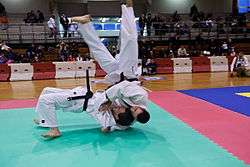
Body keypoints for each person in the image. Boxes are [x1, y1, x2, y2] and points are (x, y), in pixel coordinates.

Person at [71, 0, 150, 124]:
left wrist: (110, 125)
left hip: (116, 75)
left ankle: (85, 24)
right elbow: (121, 88)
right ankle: (128, 7)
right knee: (130, 40)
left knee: (98, 52)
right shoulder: (141, 97)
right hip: (128, 71)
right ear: (144, 108)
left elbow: (124, 124)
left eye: (134, 112)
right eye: (137, 109)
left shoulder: (132, 115)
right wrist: (108, 99)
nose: (134, 108)